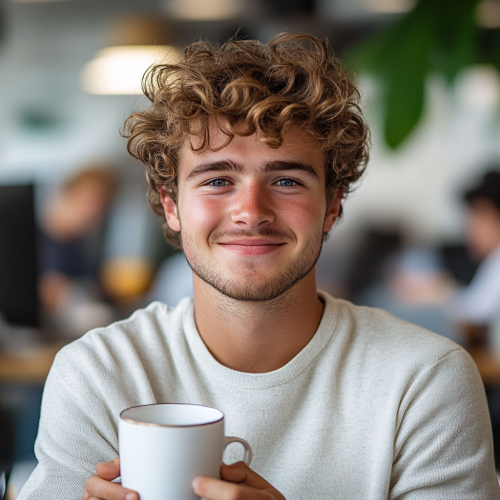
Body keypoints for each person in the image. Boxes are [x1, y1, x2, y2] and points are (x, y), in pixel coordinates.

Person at [19, 34, 499, 500]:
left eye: (287, 180)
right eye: (218, 180)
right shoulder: (99, 373)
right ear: (171, 206)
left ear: (332, 206)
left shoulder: (425, 379)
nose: (251, 210)